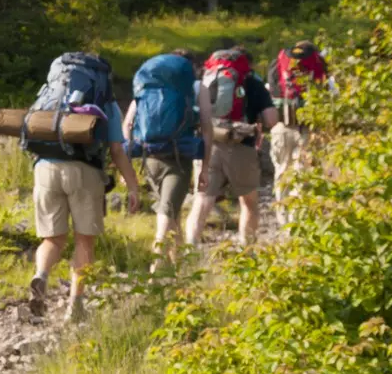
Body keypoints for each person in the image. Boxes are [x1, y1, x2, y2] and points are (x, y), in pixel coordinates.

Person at [27, 54, 141, 325]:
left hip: (45, 168)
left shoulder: (49, 95)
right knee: (84, 240)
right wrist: (133, 186)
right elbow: (117, 150)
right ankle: (75, 307)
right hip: (84, 171)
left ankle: (41, 275)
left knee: (52, 239)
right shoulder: (105, 100)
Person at [121, 49, 212, 269]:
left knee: (172, 212)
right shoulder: (197, 87)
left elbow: (128, 124)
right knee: (167, 214)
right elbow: (208, 127)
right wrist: (205, 168)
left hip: (149, 157)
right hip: (179, 158)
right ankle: (156, 266)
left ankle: (180, 267)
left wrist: (128, 165)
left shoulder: (148, 85)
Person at [185, 46, 279, 249]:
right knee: (249, 203)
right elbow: (271, 120)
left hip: (207, 143)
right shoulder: (252, 83)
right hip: (240, 145)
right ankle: (247, 252)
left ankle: (189, 250)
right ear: (248, 64)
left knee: (202, 201)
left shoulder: (204, 79)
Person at [269, 40, 327, 209]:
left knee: (282, 171)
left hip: (282, 125)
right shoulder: (318, 64)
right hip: (309, 128)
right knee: (303, 173)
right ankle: (300, 215)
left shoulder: (280, 63)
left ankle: (283, 217)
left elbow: (272, 90)